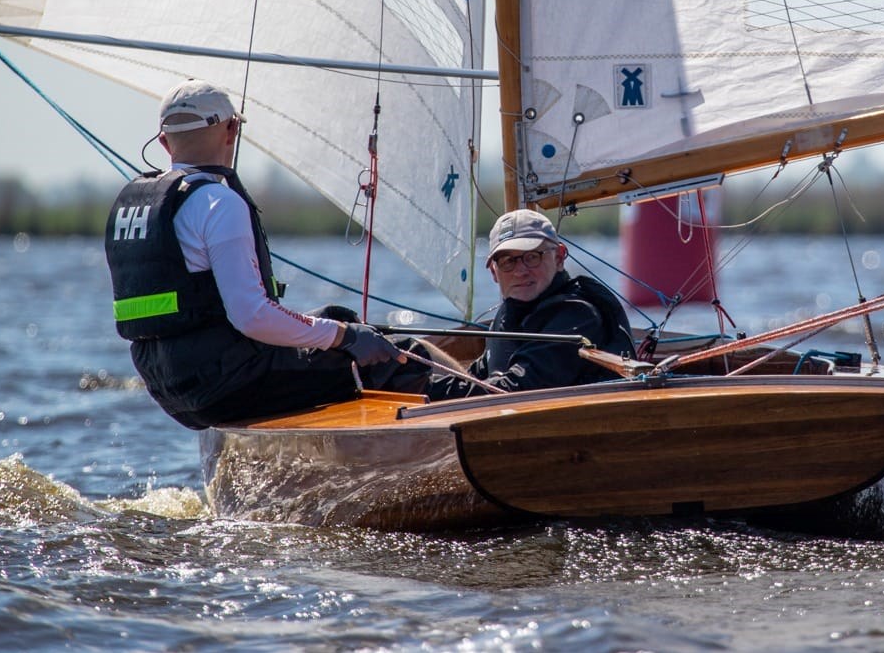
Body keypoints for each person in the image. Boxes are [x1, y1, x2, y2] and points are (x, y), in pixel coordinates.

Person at [105, 78, 431, 429]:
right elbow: (252, 317)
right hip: (228, 383)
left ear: (164, 142)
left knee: (336, 316)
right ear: (231, 130)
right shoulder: (218, 202)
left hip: (169, 387)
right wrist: (345, 337)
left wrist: (340, 328)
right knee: (404, 359)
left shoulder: (140, 207)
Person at [427, 209, 635, 400]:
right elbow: (478, 379)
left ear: (559, 257)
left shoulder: (577, 317)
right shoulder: (508, 319)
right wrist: (419, 364)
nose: (520, 271)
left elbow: (515, 390)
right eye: (508, 261)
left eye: (532, 257)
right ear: (494, 272)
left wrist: (427, 387)